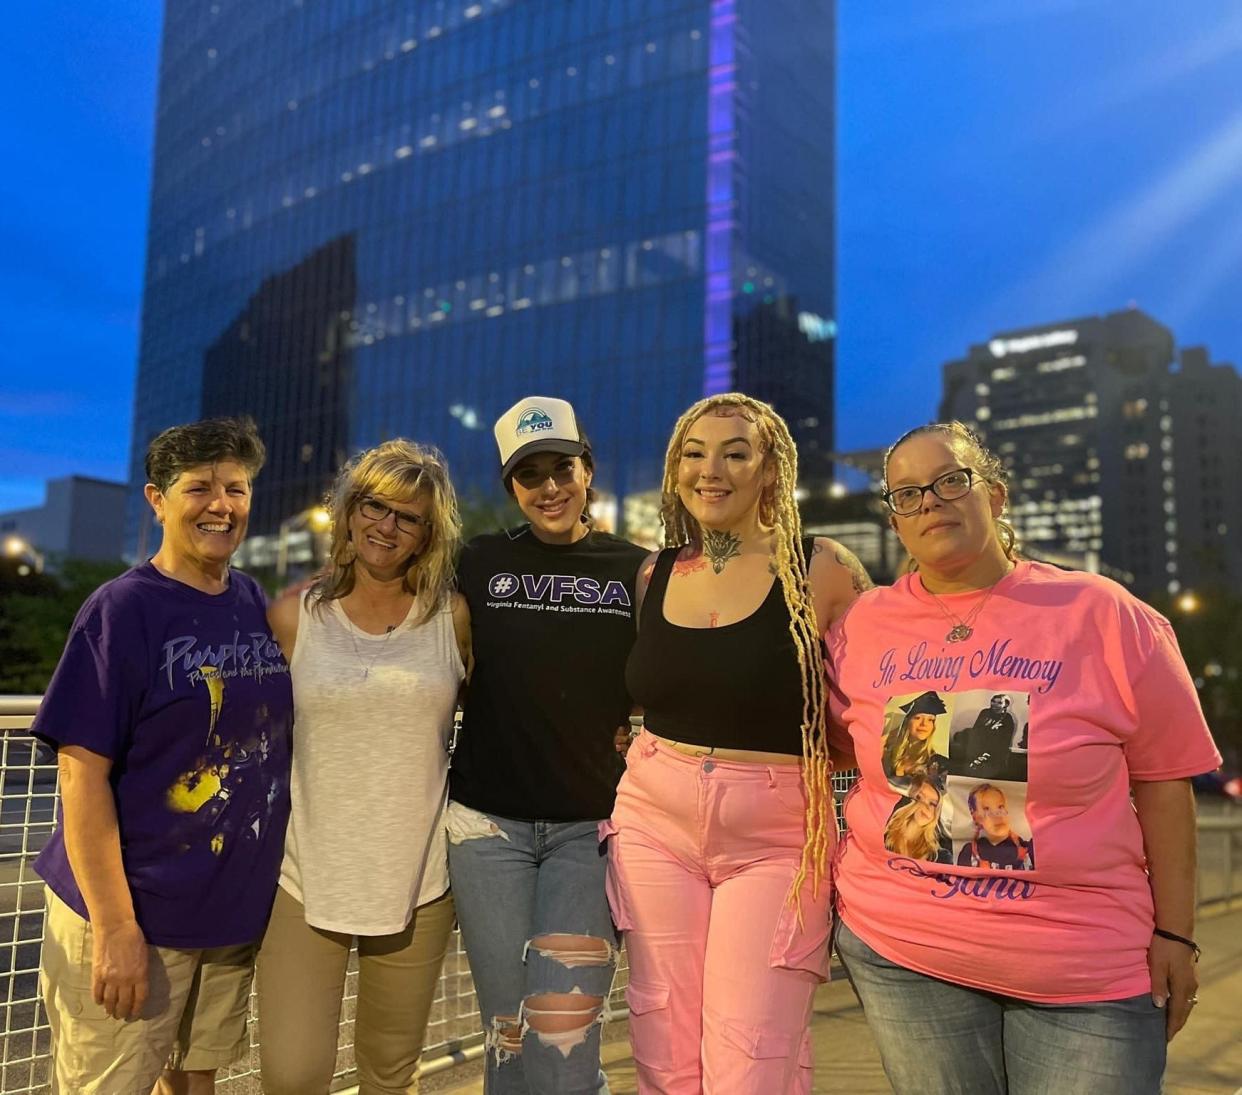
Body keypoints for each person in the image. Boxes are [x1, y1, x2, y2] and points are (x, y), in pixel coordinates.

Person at [826, 420, 1222, 1095]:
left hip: (1086, 970)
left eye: (953, 480)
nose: (931, 501)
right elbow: (837, 749)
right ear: (895, 522)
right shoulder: (861, 626)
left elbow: (1164, 781)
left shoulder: (1104, 614)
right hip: (906, 953)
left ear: (997, 496)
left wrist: (1177, 935)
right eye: (908, 493)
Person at [605, 392, 870, 1094]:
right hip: (652, 824)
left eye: (734, 452)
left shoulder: (824, 569)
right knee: (662, 1044)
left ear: (770, 468)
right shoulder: (651, 573)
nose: (709, 470)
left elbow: (875, 702)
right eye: (693, 453)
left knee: (752, 1057)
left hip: (777, 838)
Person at [32, 417, 293, 1095]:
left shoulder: (250, 601)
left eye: (235, 488)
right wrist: (117, 924)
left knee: (194, 1081)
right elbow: (80, 774)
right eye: (199, 487)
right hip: (135, 914)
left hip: (225, 916)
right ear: (157, 499)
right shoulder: (121, 610)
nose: (222, 504)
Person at [447, 396, 647, 1093]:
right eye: (530, 476)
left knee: (564, 1039)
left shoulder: (639, 570)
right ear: (512, 488)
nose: (550, 487)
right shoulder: (478, 560)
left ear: (588, 469)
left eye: (561, 467)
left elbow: (673, 678)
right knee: (507, 1033)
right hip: (485, 829)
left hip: (587, 832)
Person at [256, 440, 469, 1094]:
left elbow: (506, 718)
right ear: (349, 511)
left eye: (408, 516)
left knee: (388, 1072)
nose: (386, 525)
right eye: (374, 505)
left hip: (419, 880)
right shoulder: (294, 615)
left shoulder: (452, 618)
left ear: (428, 534)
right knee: (292, 1076)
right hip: (304, 875)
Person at [955, 783, 1034, 870]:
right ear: (975, 817)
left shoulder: (1030, 849)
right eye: (986, 809)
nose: (997, 815)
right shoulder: (969, 852)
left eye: (1000, 807)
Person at [880, 690, 949, 786]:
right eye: (918, 718)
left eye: (930, 720)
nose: (924, 724)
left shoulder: (939, 764)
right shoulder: (889, 755)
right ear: (907, 722)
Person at [953, 693, 1026, 780]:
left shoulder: (1008, 719)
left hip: (995, 754)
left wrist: (987, 753)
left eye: (999, 703)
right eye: (993, 701)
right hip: (978, 749)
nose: (994, 704)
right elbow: (976, 731)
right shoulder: (985, 712)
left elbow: (1003, 741)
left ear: (1006, 705)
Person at [883, 773, 952, 864]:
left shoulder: (940, 857)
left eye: (933, 804)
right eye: (919, 797)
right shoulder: (881, 836)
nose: (926, 806)